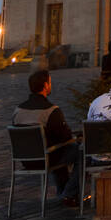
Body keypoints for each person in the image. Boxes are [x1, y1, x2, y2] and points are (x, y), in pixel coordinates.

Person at [12, 69, 81, 205]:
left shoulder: (18, 110)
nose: (51, 85)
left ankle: (63, 192)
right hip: (46, 158)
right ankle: (69, 193)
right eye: (50, 83)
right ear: (45, 86)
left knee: (59, 149)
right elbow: (66, 137)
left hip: (25, 159)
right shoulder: (51, 110)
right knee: (80, 151)